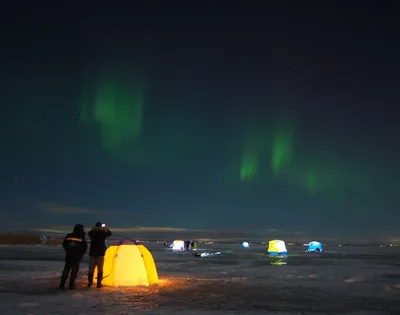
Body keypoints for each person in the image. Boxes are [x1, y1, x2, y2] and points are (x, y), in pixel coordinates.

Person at [59, 224, 87, 290]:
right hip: (76, 257)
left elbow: (64, 244)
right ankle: (71, 285)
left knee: (66, 270)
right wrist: (80, 254)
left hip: (69, 256)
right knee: (74, 271)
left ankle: (62, 284)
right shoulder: (81, 237)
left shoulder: (69, 235)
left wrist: (68, 251)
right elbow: (84, 247)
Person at [87, 222, 112, 288]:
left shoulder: (92, 233)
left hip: (92, 253)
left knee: (91, 269)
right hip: (100, 253)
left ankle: (90, 283)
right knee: (100, 269)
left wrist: (94, 229)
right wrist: (105, 228)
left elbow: (89, 233)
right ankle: (98, 283)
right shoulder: (102, 233)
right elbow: (109, 233)